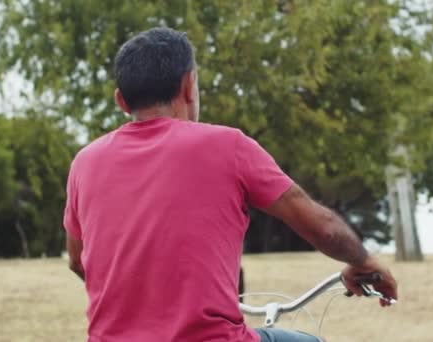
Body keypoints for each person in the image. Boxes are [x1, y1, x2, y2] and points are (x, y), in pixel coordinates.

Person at [63, 27, 397, 342]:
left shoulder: (84, 163)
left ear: (121, 100)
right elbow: (323, 228)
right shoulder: (228, 146)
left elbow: (79, 261)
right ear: (189, 85)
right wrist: (364, 262)